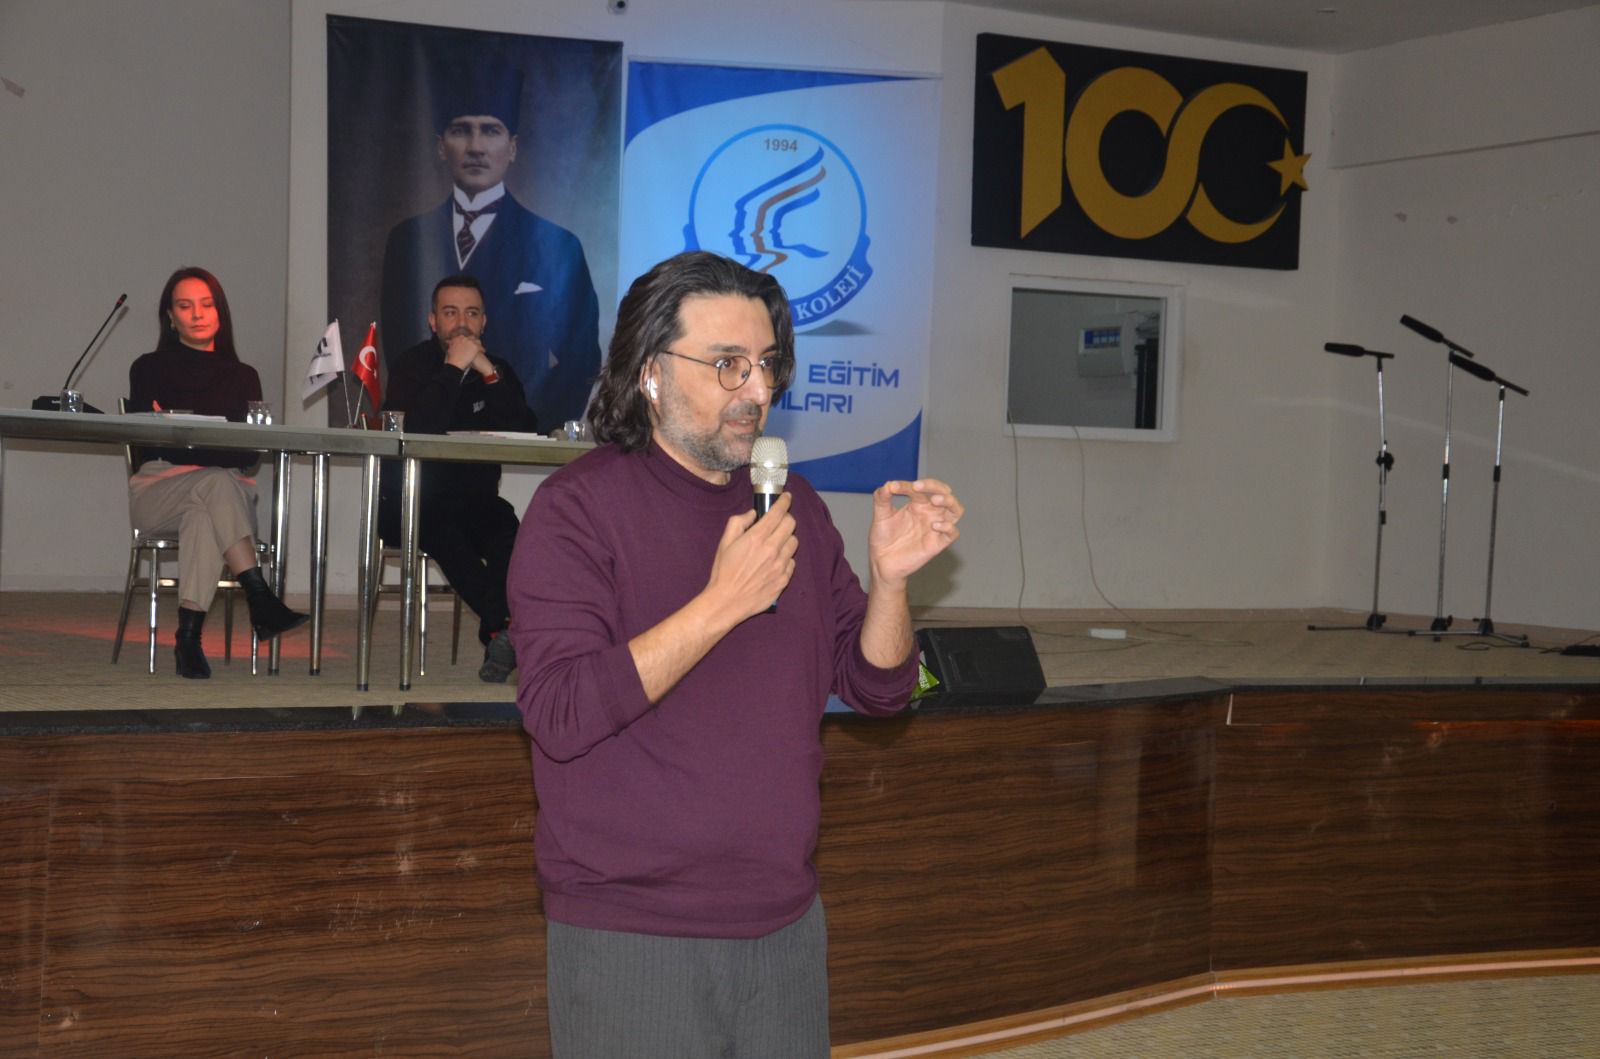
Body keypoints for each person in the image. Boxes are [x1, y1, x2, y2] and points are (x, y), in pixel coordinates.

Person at [507, 251, 964, 1056]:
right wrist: (722, 603)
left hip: (785, 923)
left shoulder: (796, 507)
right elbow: (561, 711)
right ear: (651, 373)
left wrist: (892, 583)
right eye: (727, 365)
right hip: (633, 930)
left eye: (766, 364)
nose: (756, 390)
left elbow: (881, 688)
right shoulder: (575, 510)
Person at [380, 63, 601, 430]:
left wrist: (539, 432)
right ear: (441, 146)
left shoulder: (559, 245)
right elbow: (395, 352)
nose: (476, 147)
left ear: (512, 147)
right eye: (461, 130)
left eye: (491, 131)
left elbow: (580, 360)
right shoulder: (406, 239)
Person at [127, 267, 308, 679]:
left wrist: (183, 434)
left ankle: (188, 638)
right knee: (216, 480)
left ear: (220, 312)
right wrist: (213, 446)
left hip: (222, 496)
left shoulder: (243, 376)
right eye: (184, 306)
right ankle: (259, 596)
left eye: (206, 305)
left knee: (205, 512)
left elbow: (247, 454)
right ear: (170, 316)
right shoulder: (148, 368)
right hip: (158, 489)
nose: (197, 314)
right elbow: (149, 443)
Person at [380, 273, 538, 683]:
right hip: (413, 501)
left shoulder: (497, 369)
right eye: (451, 313)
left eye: (471, 313)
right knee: (447, 534)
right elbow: (417, 432)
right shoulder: (411, 366)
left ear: (484, 321)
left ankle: (502, 633)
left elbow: (524, 429)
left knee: (510, 533)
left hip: (476, 500)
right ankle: (506, 629)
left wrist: (488, 373)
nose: (462, 323)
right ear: (433, 321)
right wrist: (453, 368)